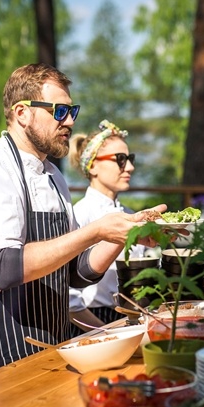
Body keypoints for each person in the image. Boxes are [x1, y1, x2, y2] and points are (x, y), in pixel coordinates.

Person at [0, 63, 163, 382]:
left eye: (72, 109)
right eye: (60, 110)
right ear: (22, 112)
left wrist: (122, 234)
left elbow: (75, 273)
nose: (71, 120)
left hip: (53, 346)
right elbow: (3, 267)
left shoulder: (54, 176)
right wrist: (95, 230)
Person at [67, 119, 146, 332]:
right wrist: (106, 332)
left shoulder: (130, 214)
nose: (130, 166)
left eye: (130, 158)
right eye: (120, 159)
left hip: (133, 317)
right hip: (92, 322)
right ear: (92, 165)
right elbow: (69, 298)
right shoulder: (78, 215)